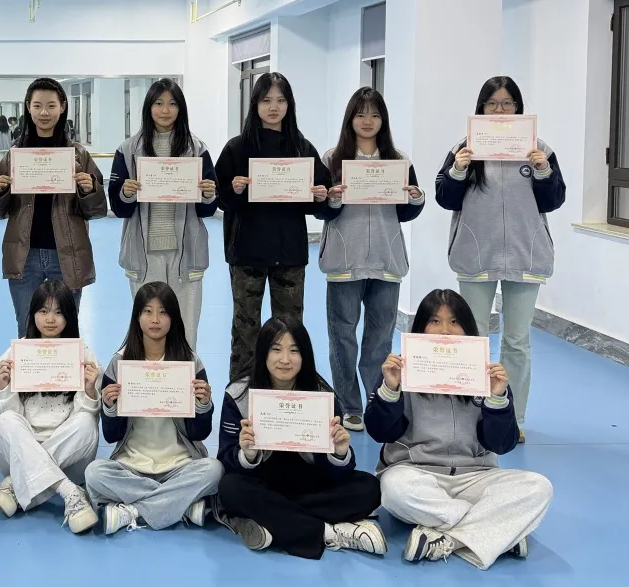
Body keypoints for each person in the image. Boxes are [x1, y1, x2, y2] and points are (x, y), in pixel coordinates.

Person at [366, 288, 553, 569]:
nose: (445, 330)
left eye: (454, 322)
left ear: (468, 329)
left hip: (476, 476)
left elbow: (501, 444)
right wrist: (390, 390)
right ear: (420, 327)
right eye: (434, 321)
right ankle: (497, 531)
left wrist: (497, 399)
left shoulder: (488, 376)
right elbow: (381, 433)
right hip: (416, 473)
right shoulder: (401, 372)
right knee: (393, 489)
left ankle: (449, 538)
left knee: (538, 487)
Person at [435, 76, 566, 443]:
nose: (500, 110)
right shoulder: (464, 148)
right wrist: (458, 170)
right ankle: (472, 412)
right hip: (475, 255)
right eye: (492, 103)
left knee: (517, 340)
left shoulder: (539, 149)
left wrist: (543, 171)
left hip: (526, 255)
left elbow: (554, 200)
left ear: (518, 108)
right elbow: (445, 197)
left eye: (507, 103)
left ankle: (512, 418)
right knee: (473, 338)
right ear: (481, 108)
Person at [215, 317, 385, 558]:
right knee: (229, 488)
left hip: (308, 482)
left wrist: (339, 453)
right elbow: (225, 458)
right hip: (261, 480)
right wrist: (247, 454)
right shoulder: (238, 394)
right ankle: (327, 532)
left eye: (294, 351)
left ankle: (271, 520)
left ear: (305, 356)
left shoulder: (322, 395)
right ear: (263, 352)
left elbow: (338, 472)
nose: (285, 359)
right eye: (276, 349)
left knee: (370, 488)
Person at [319, 87, 425, 432]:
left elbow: (406, 212)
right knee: (342, 337)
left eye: (375, 114)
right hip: (343, 261)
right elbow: (322, 210)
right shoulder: (332, 159)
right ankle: (349, 404)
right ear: (350, 118)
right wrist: (332, 200)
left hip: (385, 260)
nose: (368, 121)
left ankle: (376, 398)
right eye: (361, 114)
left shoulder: (398, 160)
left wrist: (416, 198)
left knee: (380, 338)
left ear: (384, 120)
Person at [215, 72, 333, 383]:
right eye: (266, 100)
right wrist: (234, 190)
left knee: (290, 330)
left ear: (289, 105)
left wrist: (319, 195)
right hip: (247, 253)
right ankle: (240, 393)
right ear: (255, 104)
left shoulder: (302, 148)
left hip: (289, 252)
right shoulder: (236, 148)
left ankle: (289, 392)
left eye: (281, 100)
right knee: (245, 329)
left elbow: (320, 198)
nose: (273, 107)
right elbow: (219, 197)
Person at [83, 282, 223, 534]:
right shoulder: (119, 363)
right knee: (94, 473)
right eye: (147, 311)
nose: (155, 319)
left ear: (174, 318)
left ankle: (132, 511)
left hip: (180, 463)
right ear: (137, 317)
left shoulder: (190, 362)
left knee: (214, 470)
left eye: (163, 312)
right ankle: (182, 506)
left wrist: (204, 405)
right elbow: (112, 436)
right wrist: (109, 407)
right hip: (132, 465)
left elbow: (199, 433)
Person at [0, 78, 107, 338]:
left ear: (62, 107)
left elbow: (96, 210)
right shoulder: (15, 155)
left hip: (67, 255)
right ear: (28, 107)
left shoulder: (78, 155)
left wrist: (89, 189)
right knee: (27, 330)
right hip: (24, 256)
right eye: (37, 105)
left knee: (66, 332)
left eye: (51, 105)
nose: (44, 112)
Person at [108, 78, 218, 350]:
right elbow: (119, 208)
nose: (165, 110)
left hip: (186, 254)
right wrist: (126, 193)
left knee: (186, 331)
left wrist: (208, 194)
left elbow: (208, 209)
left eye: (172, 104)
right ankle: (151, 377)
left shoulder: (197, 149)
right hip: (143, 254)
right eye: (158, 103)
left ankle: (186, 377)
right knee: (148, 330)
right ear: (149, 107)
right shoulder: (128, 150)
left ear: (181, 109)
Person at [0, 280, 101, 534]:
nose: (50, 319)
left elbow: (87, 421)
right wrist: (2, 387)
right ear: (33, 314)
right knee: (6, 421)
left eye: (58, 312)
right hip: (22, 448)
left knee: (86, 424)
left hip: (68, 455)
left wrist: (90, 390)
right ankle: (69, 491)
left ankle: (15, 485)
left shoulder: (84, 355)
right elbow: (6, 421)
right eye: (43, 311)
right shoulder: (15, 353)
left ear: (69, 317)